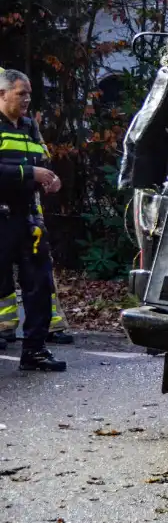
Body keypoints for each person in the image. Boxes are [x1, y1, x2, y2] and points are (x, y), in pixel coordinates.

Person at [0, 67, 64, 370]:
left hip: (28, 218)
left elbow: (42, 160)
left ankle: (35, 351)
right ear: (2, 94)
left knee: (39, 284)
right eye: (20, 93)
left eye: (29, 94)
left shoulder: (28, 126)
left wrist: (49, 178)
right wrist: (30, 173)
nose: (27, 99)